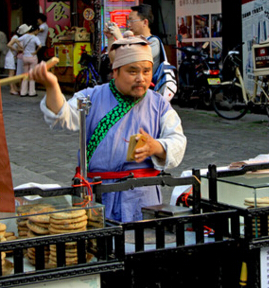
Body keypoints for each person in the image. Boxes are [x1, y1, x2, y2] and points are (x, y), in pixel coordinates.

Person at [28, 37, 187, 222]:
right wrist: (51, 85)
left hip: (143, 197)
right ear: (116, 72)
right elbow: (62, 116)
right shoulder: (91, 97)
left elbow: (177, 140)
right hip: (98, 195)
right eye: (132, 71)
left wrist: (156, 147)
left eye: (147, 71)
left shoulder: (159, 104)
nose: (141, 78)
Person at [19, 25, 42, 97]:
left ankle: (23, 92)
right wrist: (36, 51)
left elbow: (16, 40)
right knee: (32, 75)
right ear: (36, 31)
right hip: (32, 57)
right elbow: (40, 46)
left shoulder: (25, 36)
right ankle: (31, 92)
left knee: (25, 74)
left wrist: (22, 49)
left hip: (25, 57)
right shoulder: (35, 38)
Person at [5, 26, 24, 95]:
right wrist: (16, 50)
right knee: (11, 73)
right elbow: (9, 45)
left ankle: (14, 88)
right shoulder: (15, 37)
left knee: (13, 73)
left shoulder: (17, 38)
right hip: (11, 56)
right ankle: (12, 89)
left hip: (12, 56)